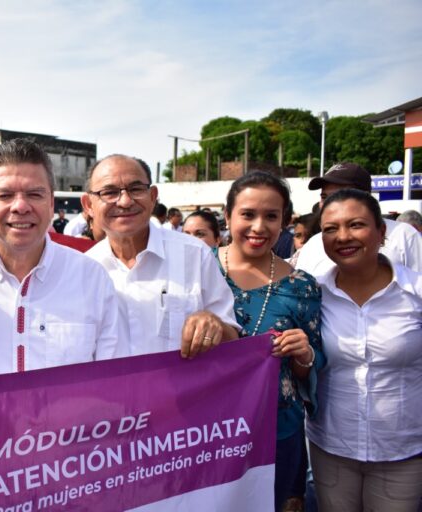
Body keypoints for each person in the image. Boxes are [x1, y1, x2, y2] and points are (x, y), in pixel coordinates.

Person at [0, 139, 123, 375]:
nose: (20, 206)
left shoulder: (92, 278)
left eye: (34, 194)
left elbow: (111, 378)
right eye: (4, 195)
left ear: (51, 204)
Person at [306, 189, 422, 511]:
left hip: (403, 454)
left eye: (356, 225)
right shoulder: (310, 293)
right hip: (331, 450)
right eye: (330, 229)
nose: (343, 236)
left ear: (381, 232)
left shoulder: (416, 292)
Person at [218, 171, 325, 512]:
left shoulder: (301, 287)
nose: (258, 227)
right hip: (205, 434)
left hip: (278, 434)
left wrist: (303, 353)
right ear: (228, 215)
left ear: (285, 221)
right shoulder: (197, 270)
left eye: (271, 216)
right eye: (247, 214)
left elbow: (313, 366)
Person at [81, 154, 239, 358]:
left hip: (185, 389)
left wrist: (214, 325)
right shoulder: (83, 269)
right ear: (88, 205)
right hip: (109, 390)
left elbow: (232, 339)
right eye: (109, 192)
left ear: (153, 196)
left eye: (136, 189)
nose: (125, 201)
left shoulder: (194, 254)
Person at [296, 162, 422, 274]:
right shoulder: (312, 245)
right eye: (324, 197)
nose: (330, 203)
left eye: (340, 195)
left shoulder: (404, 235)